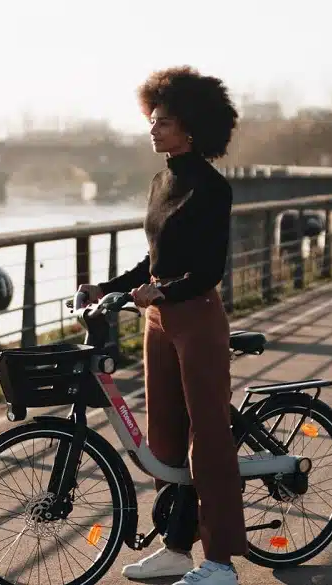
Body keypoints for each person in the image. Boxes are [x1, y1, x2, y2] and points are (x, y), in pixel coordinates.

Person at [76, 66, 245, 585]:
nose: (152, 129)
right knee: (165, 439)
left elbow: (208, 270)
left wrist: (166, 291)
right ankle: (176, 546)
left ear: (191, 128)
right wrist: (106, 288)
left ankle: (219, 562)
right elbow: (153, 261)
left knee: (208, 438)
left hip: (195, 318)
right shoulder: (160, 181)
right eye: (151, 120)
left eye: (163, 122)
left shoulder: (212, 188)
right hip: (156, 321)